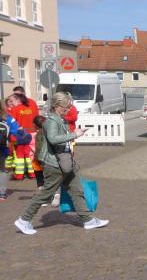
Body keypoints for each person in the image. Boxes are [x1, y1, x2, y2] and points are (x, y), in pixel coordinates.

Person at [14, 92, 109, 235]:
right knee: (46, 193)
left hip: (65, 163)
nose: (68, 109)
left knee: (77, 190)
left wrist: (74, 134)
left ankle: (88, 220)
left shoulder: (59, 119)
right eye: (66, 106)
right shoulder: (52, 121)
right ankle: (24, 220)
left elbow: (59, 138)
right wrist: (75, 134)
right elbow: (53, 139)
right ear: (57, 106)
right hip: (55, 165)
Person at [0, 103, 20, 201]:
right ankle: (2, 193)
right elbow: (16, 131)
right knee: (2, 170)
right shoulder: (8, 118)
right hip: (3, 148)